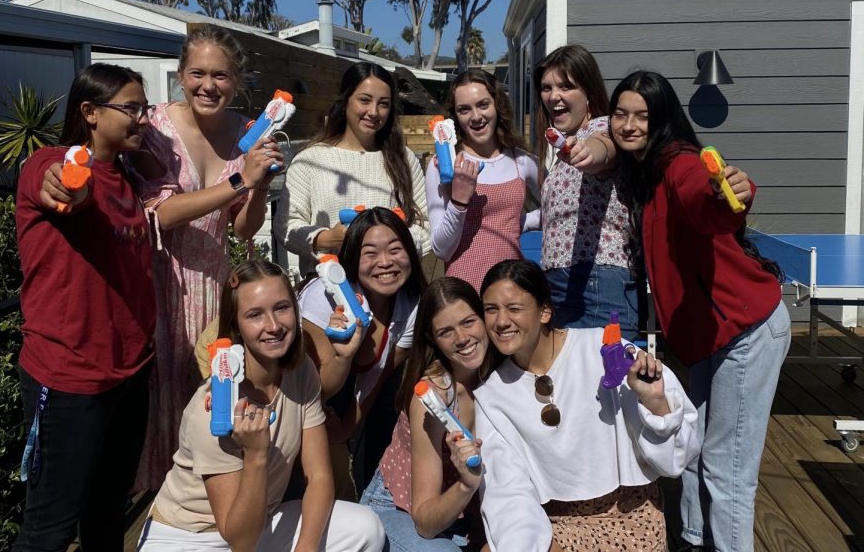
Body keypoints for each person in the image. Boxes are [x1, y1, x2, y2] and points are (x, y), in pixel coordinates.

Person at [609, 71, 790, 552]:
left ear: (663, 120)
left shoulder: (678, 164)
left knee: (727, 468)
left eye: (642, 116)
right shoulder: (642, 171)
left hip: (746, 329)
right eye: (621, 113)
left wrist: (731, 193)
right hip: (711, 337)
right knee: (690, 451)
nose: (628, 125)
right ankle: (693, 541)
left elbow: (706, 199)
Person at [126, 24, 284, 489]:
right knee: (154, 401)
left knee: (207, 394)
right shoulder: (154, 127)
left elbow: (243, 228)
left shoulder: (249, 133)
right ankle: (158, 505)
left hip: (212, 285)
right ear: (180, 74)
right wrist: (239, 181)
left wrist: (260, 184)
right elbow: (164, 215)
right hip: (157, 283)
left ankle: (204, 500)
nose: (207, 85)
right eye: (197, 73)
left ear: (236, 80)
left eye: (220, 75)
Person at [136, 259, 385, 551]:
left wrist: (306, 548)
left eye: (281, 307)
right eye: (255, 314)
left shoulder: (300, 370)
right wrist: (255, 455)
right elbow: (240, 541)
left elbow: (318, 476)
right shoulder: (216, 406)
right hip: (192, 536)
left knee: (365, 527)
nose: (274, 326)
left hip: (260, 522)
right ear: (236, 325)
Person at [13, 64, 156, 551]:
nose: (143, 119)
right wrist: (67, 184)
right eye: (131, 108)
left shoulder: (128, 177)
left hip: (130, 374)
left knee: (106, 514)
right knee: (49, 531)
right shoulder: (52, 161)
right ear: (90, 112)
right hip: (69, 377)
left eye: (146, 109)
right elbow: (58, 183)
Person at [475, 260, 699, 552]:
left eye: (514, 308)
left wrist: (655, 404)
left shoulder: (602, 348)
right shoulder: (492, 395)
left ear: (545, 311)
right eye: (491, 309)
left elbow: (676, 461)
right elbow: (507, 492)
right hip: (556, 523)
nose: (501, 321)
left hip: (631, 515)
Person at [297, 206, 427, 500]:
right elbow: (313, 390)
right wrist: (344, 356)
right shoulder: (324, 299)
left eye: (395, 250)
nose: (385, 263)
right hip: (302, 396)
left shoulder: (411, 305)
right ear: (352, 260)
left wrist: (345, 429)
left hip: (347, 395)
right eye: (370, 253)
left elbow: (377, 379)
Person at [360, 277, 495, 551]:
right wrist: (467, 486)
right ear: (433, 339)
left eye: (468, 322)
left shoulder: (496, 375)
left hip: (462, 517)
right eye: (446, 331)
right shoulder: (432, 398)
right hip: (398, 509)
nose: (462, 338)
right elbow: (425, 523)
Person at [275, 62, 430, 277]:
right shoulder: (310, 160)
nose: (374, 112)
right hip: (329, 292)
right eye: (364, 100)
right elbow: (286, 226)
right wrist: (327, 239)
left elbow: (424, 224)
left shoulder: (404, 158)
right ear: (345, 101)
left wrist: (389, 247)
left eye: (383, 104)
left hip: (391, 289)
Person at [534, 45, 638, 339]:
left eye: (566, 86)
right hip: (562, 286)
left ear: (588, 91)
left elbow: (603, 151)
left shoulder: (603, 128)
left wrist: (588, 155)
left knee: (603, 380)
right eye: (547, 87)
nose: (554, 96)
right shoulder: (563, 146)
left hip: (597, 283)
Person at [425, 69, 540, 291]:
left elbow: (559, 204)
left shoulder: (521, 161)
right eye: (464, 110)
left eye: (483, 104)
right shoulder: (444, 164)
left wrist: (520, 221)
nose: (476, 116)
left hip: (511, 292)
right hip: (464, 295)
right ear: (455, 116)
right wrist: (459, 202)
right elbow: (441, 250)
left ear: (498, 105)